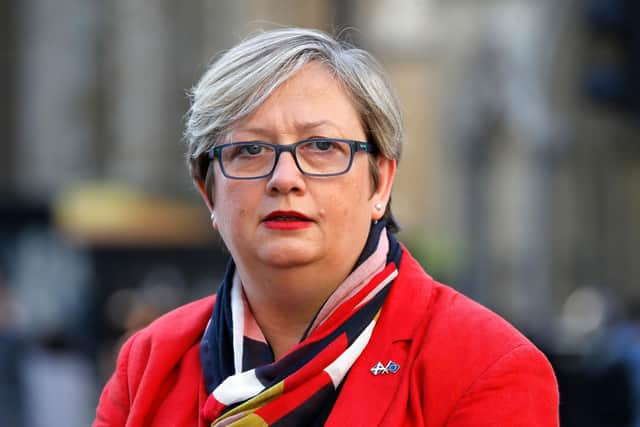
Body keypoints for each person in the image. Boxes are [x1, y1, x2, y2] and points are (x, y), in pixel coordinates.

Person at [94, 27, 559, 426]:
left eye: (321, 147)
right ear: (207, 191)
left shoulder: (485, 365)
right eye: (250, 151)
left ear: (381, 183)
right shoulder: (150, 364)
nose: (285, 179)